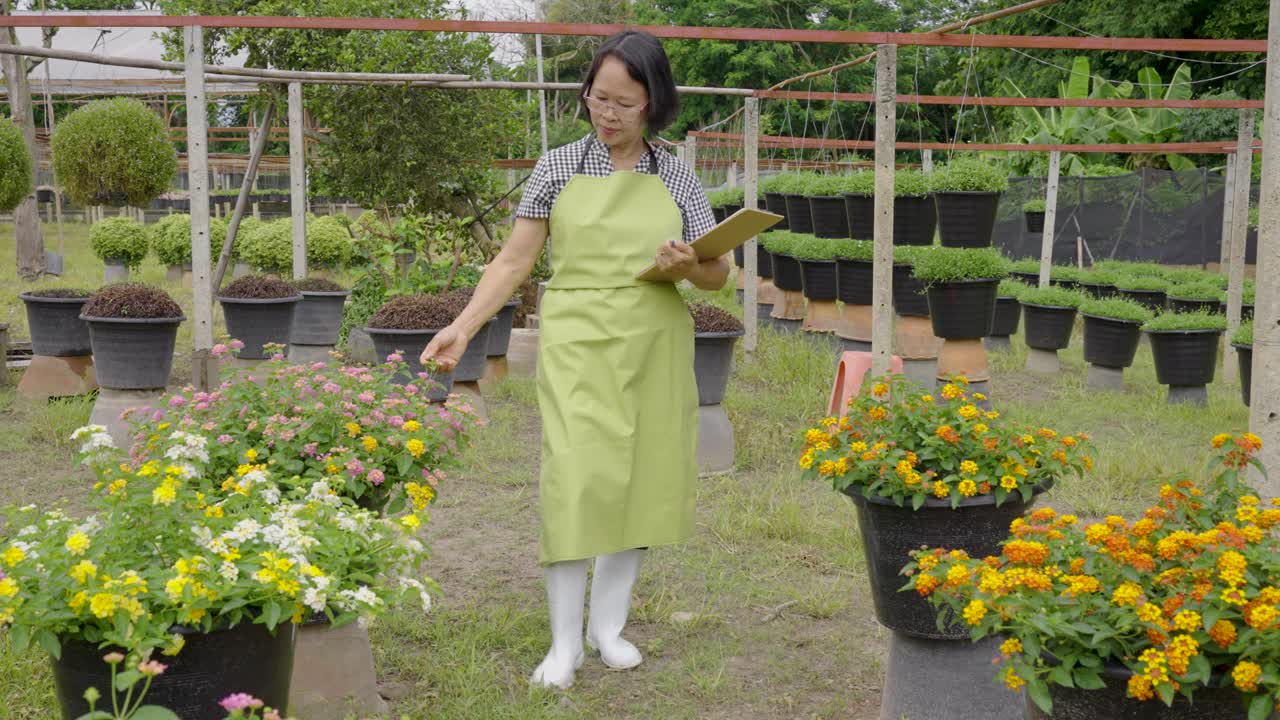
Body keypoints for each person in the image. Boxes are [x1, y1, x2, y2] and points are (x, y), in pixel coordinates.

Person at [419, 29, 727, 689]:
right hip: (578, 336)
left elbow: (717, 273)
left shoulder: (675, 173)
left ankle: (606, 628)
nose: (607, 114)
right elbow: (514, 260)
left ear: (654, 105)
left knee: (640, 479)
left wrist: (690, 264)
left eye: (625, 103)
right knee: (576, 479)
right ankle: (564, 645)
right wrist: (464, 326)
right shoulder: (558, 166)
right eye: (598, 98)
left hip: (654, 339)